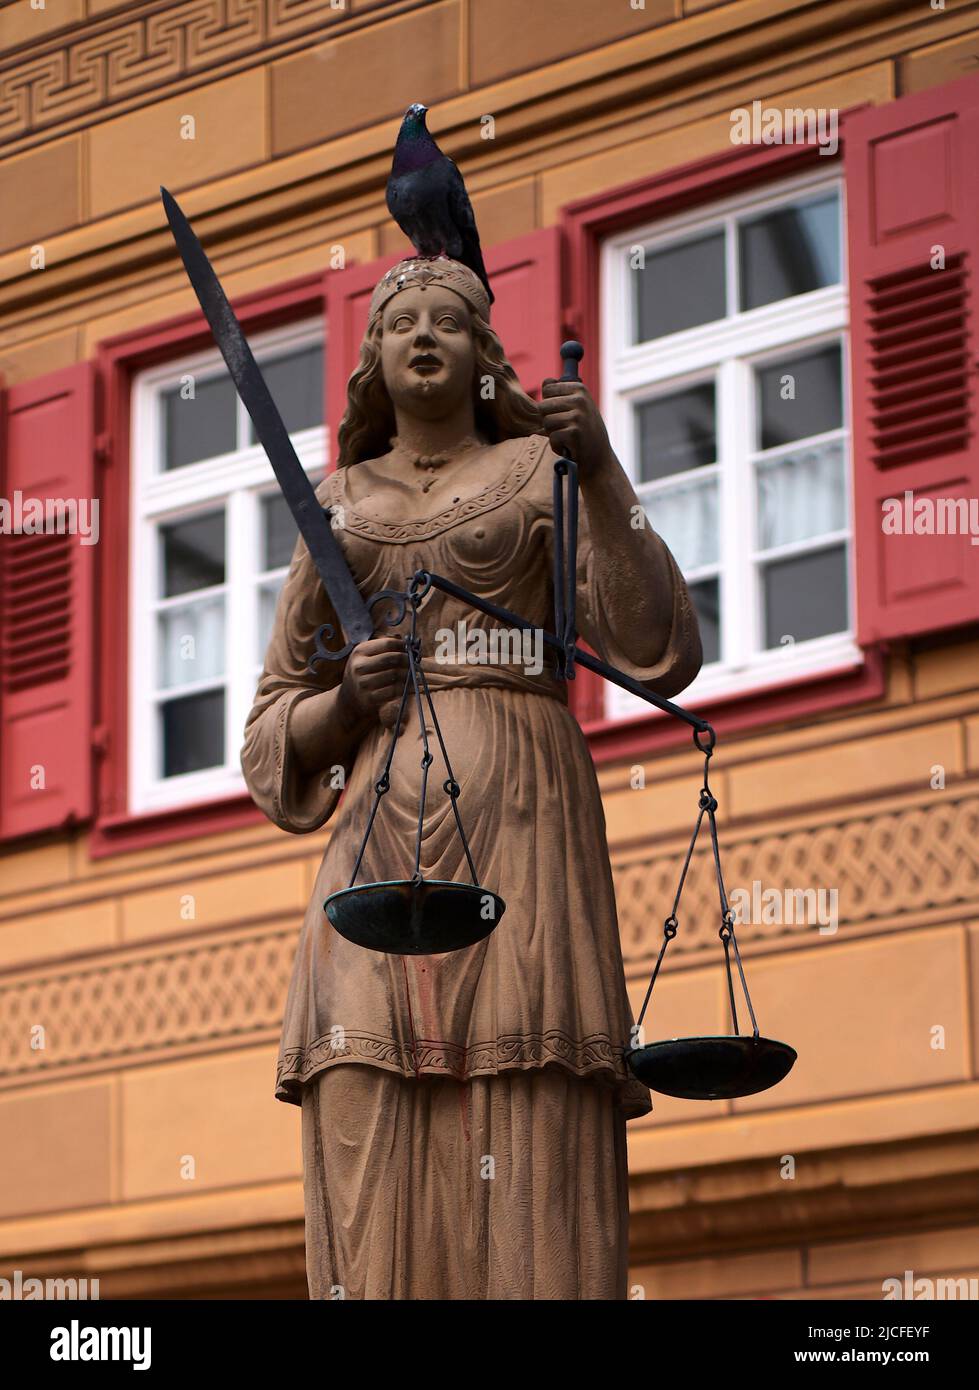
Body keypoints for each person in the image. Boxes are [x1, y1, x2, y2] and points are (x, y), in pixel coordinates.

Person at [241, 255, 702, 1299]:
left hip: (524, 821)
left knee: (530, 1085)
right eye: (400, 320)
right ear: (371, 360)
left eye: (449, 319)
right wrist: (347, 704)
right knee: (357, 1085)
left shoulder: (539, 469)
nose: (424, 334)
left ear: (483, 351)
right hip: (369, 853)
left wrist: (601, 473)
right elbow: (270, 743)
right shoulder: (338, 509)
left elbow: (660, 646)